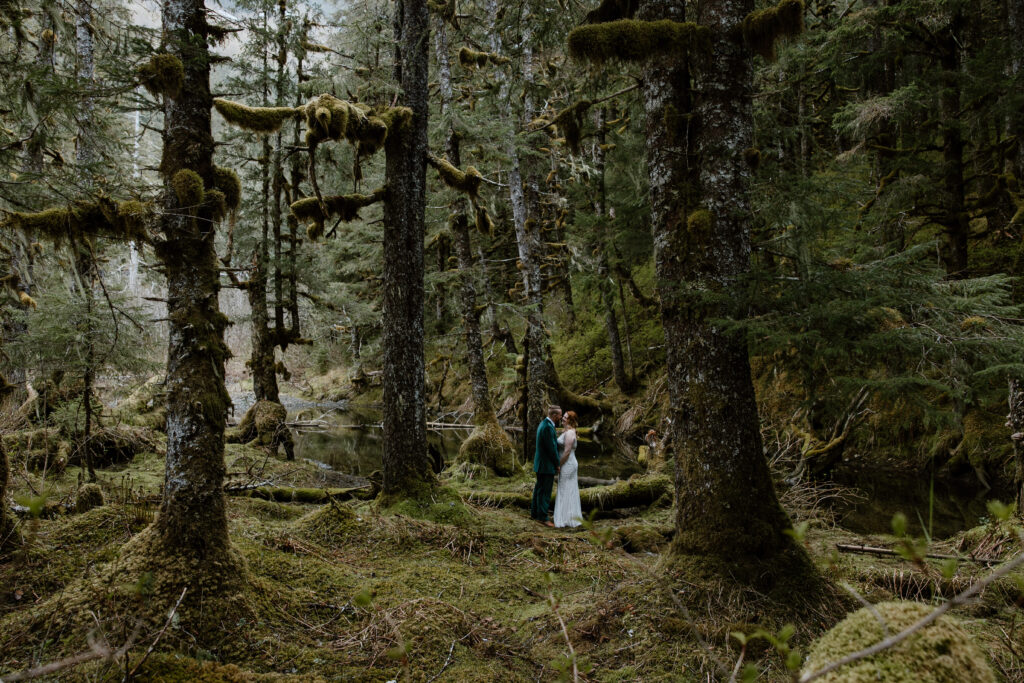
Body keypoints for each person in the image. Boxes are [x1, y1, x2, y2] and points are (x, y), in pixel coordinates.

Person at [531, 405, 561, 527]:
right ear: (554, 415)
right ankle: (543, 518)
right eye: (559, 415)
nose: (560, 417)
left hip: (540, 464)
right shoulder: (548, 427)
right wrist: (557, 464)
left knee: (539, 489)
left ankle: (535, 513)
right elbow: (552, 449)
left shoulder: (543, 424)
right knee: (545, 491)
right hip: (546, 465)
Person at [553, 410, 582, 528]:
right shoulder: (566, 431)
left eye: (565, 417)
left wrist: (559, 464)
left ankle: (566, 519)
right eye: (563, 417)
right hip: (567, 463)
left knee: (566, 489)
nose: (563, 418)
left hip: (568, 464)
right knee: (566, 488)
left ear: (570, 420)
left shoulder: (570, 433)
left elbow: (567, 451)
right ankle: (567, 516)